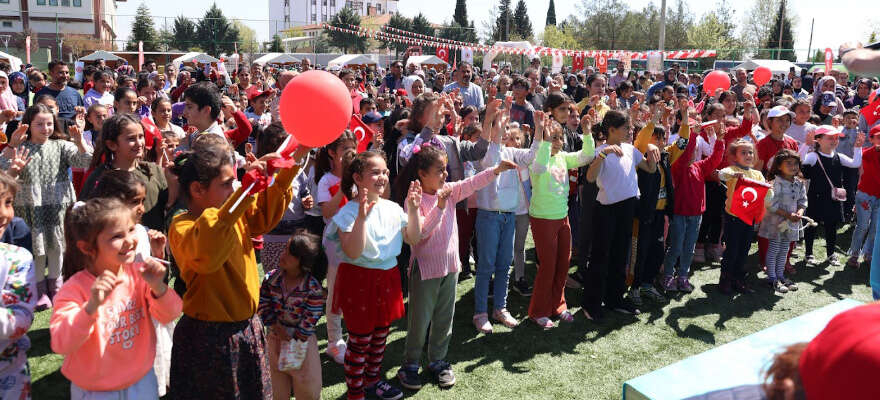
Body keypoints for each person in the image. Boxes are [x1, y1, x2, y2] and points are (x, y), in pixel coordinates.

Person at [167, 138, 309, 399]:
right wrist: (244, 191)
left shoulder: (231, 210)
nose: (233, 188)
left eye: (234, 182)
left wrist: (294, 160)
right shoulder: (182, 226)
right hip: (208, 340)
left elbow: (263, 215)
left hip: (246, 331)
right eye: (226, 184)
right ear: (198, 189)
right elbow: (209, 247)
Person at [394, 143, 515, 390]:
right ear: (422, 173)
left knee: (443, 320)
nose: (445, 174)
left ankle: (437, 361)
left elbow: (471, 183)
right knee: (419, 322)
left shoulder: (448, 190)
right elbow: (421, 234)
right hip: (425, 272)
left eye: (446, 169)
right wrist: (439, 207)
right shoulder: (414, 200)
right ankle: (410, 365)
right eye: (440, 170)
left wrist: (496, 170)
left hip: (450, 268)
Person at [49, 198, 180, 399]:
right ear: (87, 248)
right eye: (117, 236)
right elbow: (61, 343)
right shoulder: (74, 290)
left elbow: (170, 314)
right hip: (96, 390)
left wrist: (158, 287)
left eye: (130, 229)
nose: (130, 240)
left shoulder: (139, 275)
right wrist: (91, 307)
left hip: (142, 381)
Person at [325, 151, 422, 400]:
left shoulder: (392, 208)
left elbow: (413, 238)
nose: (383, 177)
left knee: (380, 337)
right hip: (359, 280)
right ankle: (356, 393)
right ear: (358, 178)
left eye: (385, 171)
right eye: (375, 172)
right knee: (360, 340)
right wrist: (361, 218)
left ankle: (372, 382)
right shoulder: (347, 213)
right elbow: (353, 251)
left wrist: (412, 210)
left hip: (387, 278)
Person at [89, 169, 175, 396]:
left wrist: (159, 254)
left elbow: (155, 279)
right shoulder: (100, 240)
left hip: (147, 317)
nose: (142, 208)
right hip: (120, 320)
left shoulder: (143, 232)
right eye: (135, 202)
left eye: (142, 201)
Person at [0, 104, 91, 310]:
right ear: (29, 125)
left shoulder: (61, 145)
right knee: (38, 249)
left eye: (49, 123)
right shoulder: (22, 147)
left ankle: (56, 285)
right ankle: (40, 289)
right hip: (31, 206)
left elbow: (86, 160)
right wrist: (12, 146)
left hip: (58, 205)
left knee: (58, 247)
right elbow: (3, 174)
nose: (46, 128)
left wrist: (79, 141)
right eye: (39, 124)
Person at [583, 110, 657, 320]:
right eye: (626, 128)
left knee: (619, 255)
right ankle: (591, 303)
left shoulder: (631, 149)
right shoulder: (600, 150)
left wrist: (652, 152)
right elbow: (589, 177)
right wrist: (603, 155)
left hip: (628, 207)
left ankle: (615, 298)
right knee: (600, 257)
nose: (630, 131)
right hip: (606, 211)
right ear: (612, 130)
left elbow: (649, 169)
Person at [471, 105, 539, 333]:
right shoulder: (485, 152)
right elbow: (494, 150)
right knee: (486, 266)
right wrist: (495, 118)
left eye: (505, 126)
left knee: (504, 265)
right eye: (499, 127)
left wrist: (539, 130)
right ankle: (480, 312)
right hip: (489, 217)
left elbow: (531, 155)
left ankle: (500, 307)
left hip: (508, 217)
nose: (503, 131)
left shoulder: (513, 153)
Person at [663, 111, 726, 293]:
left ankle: (683, 277)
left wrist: (720, 140)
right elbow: (685, 153)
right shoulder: (676, 167)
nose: (693, 151)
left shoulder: (698, 166)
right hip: (679, 214)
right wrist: (694, 135)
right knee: (675, 247)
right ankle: (668, 276)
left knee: (689, 249)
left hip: (696, 215)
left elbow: (714, 160)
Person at [258, 231, 326, 400]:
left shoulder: (312, 288)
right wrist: (275, 326)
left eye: (290, 253)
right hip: (274, 339)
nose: (283, 254)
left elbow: (312, 316)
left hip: (302, 344)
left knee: (307, 388)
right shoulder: (271, 279)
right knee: (276, 387)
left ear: (303, 262)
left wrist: (293, 337)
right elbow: (263, 304)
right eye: (285, 249)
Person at [80, 113, 170, 232]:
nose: (139, 143)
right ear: (112, 144)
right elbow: (87, 219)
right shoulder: (101, 177)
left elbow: (168, 207)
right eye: (131, 138)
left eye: (141, 136)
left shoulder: (154, 171)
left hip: (154, 245)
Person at [314, 131, 357, 364]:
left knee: (355, 289)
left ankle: (355, 335)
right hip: (334, 245)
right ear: (332, 153)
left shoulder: (362, 177)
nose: (351, 154)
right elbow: (327, 212)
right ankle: (334, 341)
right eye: (345, 150)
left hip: (357, 240)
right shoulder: (326, 181)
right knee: (335, 293)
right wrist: (345, 184)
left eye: (354, 148)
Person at [801, 125, 864, 265]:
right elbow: (799, 162)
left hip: (833, 198)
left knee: (831, 226)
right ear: (818, 140)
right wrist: (806, 145)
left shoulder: (838, 156)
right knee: (811, 225)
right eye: (830, 138)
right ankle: (809, 254)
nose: (834, 141)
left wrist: (858, 147)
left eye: (836, 138)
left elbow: (855, 163)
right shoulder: (812, 156)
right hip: (815, 197)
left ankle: (831, 254)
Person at [0, 172, 37, 400]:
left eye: (8, 202)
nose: (4, 213)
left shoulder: (17, 259)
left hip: (8, 373)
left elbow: (22, 319)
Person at [717, 140, 771, 294]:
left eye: (750, 152)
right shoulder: (732, 170)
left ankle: (738, 279)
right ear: (735, 156)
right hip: (733, 217)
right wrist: (733, 174)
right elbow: (721, 174)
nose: (748, 155)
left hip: (749, 218)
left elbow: (766, 195)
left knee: (744, 250)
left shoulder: (758, 174)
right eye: (743, 152)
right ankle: (725, 280)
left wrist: (770, 191)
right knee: (732, 250)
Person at [759, 149, 806, 293]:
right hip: (775, 223)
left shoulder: (799, 183)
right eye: (789, 163)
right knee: (774, 248)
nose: (793, 166)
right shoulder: (774, 184)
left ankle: (780, 275)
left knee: (785, 249)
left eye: (796, 163)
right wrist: (787, 214)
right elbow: (770, 205)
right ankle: (772, 277)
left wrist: (799, 212)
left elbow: (803, 201)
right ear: (779, 166)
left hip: (791, 223)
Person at [850, 126, 880, 270]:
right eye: (879, 137)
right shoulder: (867, 154)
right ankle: (854, 254)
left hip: (877, 197)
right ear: (872, 139)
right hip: (866, 195)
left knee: (875, 228)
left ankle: (868, 254)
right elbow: (875, 176)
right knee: (863, 226)